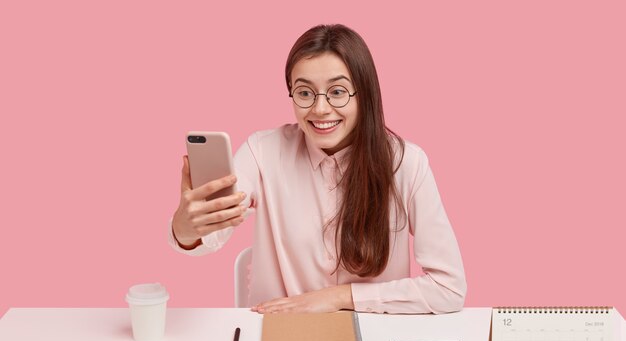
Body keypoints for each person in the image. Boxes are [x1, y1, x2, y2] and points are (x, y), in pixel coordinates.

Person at [169, 24, 466, 315]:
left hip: (373, 337)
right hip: (279, 333)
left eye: (337, 92)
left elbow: (448, 288)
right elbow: (210, 234)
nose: (320, 109)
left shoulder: (407, 163)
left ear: (364, 94)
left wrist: (340, 297)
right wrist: (186, 227)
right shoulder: (263, 152)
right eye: (305, 92)